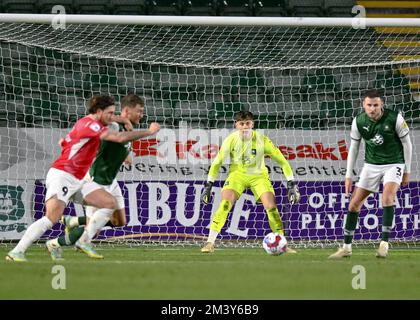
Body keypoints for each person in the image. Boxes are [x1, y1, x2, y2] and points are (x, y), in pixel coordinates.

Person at [6, 95, 160, 262]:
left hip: (78, 179)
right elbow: (118, 137)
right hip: (63, 175)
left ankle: (83, 240)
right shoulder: (91, 125)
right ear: (99, 111)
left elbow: (74, 141)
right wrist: (149, 132)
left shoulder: (90, 123)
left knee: (109, 203)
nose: (112, 117)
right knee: (51, 219)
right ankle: (17, 252)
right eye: (109, 113)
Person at [45, 94, 147, 260]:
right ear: (127, 111)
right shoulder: (112, 125)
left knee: (119, 221)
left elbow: (119, 149)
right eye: (139, 111)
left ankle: (74, 221)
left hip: (111, 181)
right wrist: (125, 121)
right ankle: (55, 243)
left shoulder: (128, 129)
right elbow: (92, 121)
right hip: (95, 180)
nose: (141, 115)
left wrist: (125, 155)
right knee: (93, 228)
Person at [200, 110, 300, 253]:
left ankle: (281, 244)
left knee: (271, 206)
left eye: (248, 123)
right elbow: (216, 163)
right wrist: (208, 185)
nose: (245, 126)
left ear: (252, 124)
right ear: (236, 125)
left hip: (259, 176)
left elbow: (282, 161)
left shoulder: (262, 140)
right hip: (237, 175)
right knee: (225, 204)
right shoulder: (231, 140)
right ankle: (210, 243)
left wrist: (291, 183)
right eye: (242, 124)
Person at [329, 89, 412, 259]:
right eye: (369, 105)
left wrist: (407, 171)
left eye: (375, 105)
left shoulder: (395, 118)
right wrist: (348, 176)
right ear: (363, 105)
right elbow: (353, 148)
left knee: (387, 198)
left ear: (382, 104)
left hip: (393, 163)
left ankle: (384, 244)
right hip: (371, 165)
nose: (372, 108)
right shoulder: (358, 121)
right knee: (353, 205)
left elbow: (407, 144)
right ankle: (346, 247)